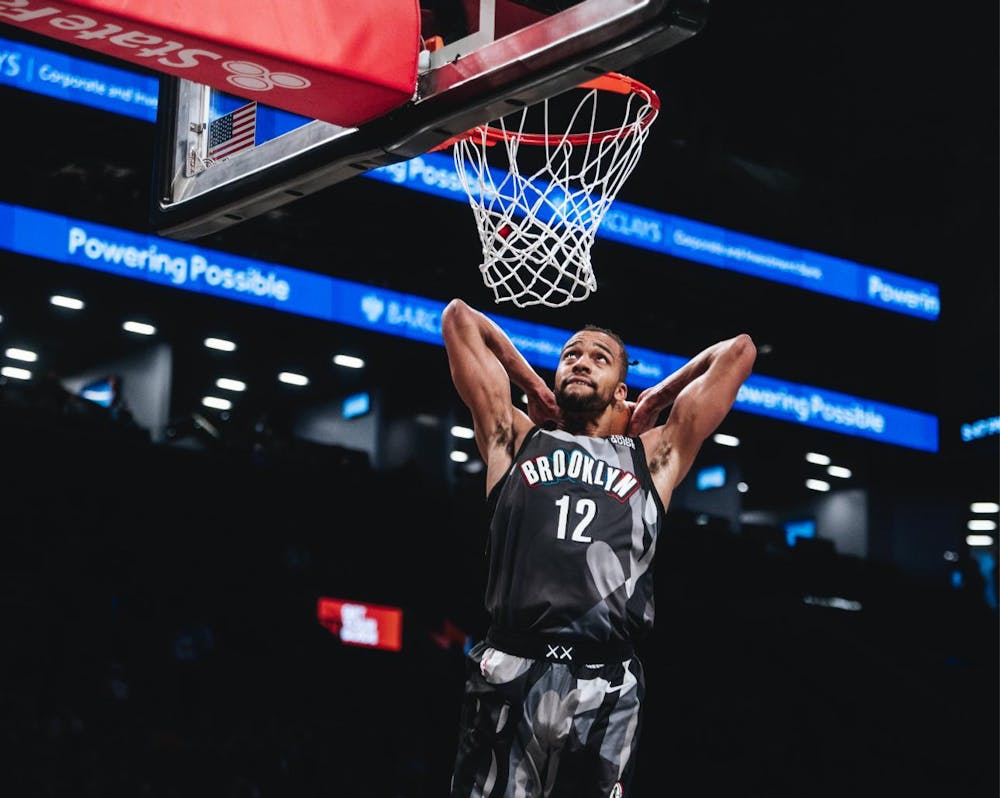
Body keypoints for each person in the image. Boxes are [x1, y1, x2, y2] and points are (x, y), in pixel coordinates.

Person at [442, 298, 756, 798]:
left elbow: (739, 351)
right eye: (570, 355)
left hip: (605, 678)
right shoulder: (515, 438)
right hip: (511, 664)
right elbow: (459, 318)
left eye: (599, 358)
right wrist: (534, 387)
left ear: (621, 391)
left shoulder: (650, 457)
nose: (581, 361)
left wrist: (657, 399)